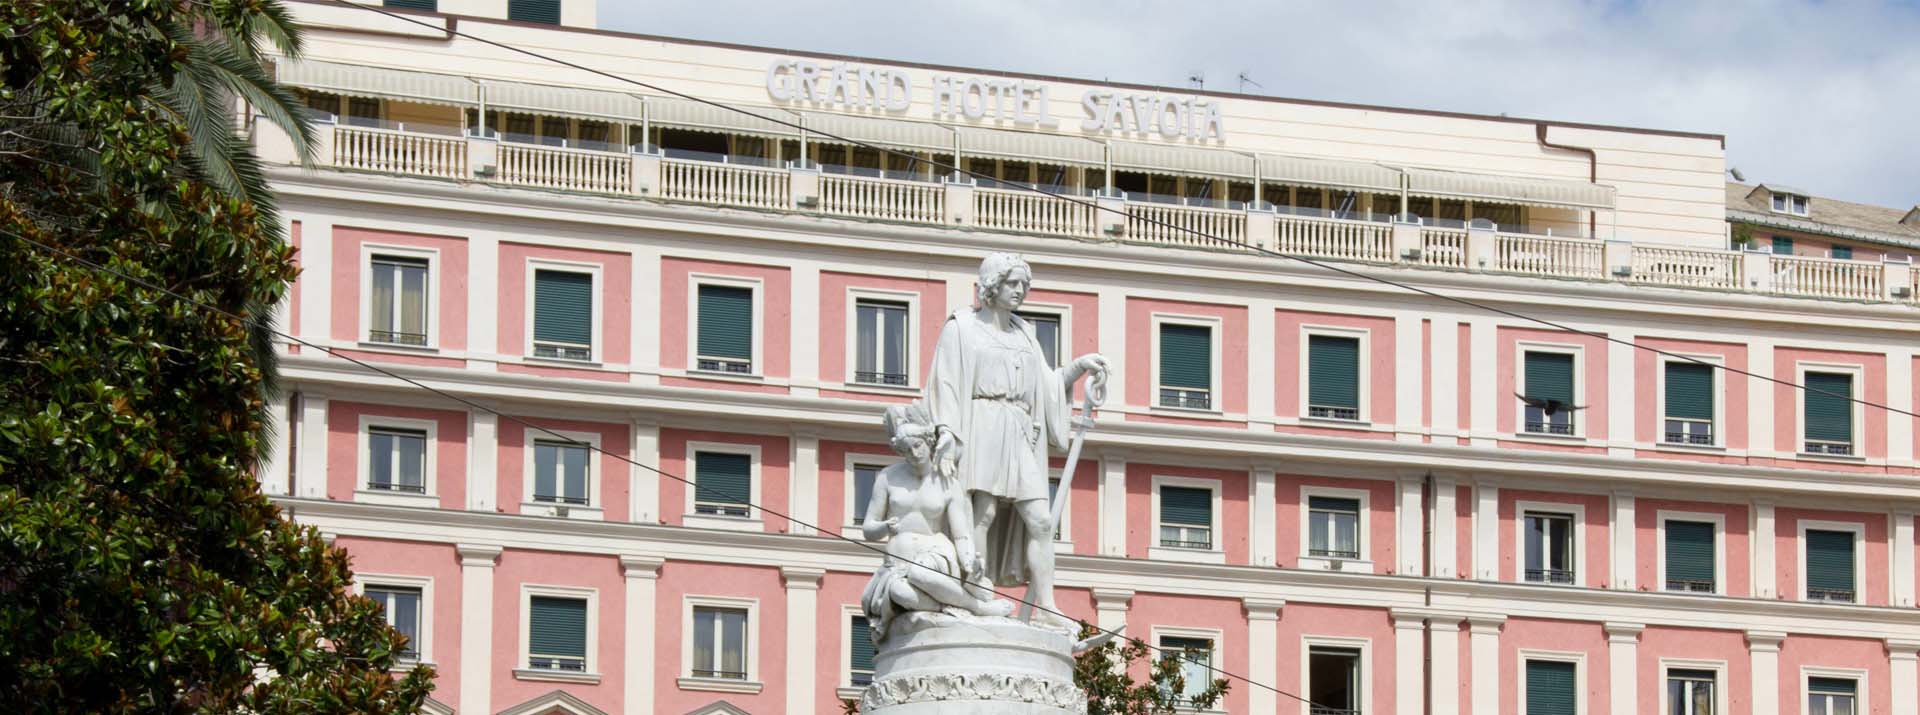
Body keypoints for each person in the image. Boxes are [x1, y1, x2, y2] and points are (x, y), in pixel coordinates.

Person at [925, 252, 1108, 628]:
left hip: (1020, 430)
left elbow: (1047, 385)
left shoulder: (1025, 333)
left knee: (1041, 520)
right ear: (992, 284)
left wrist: (1077, 368)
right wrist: (946, 431)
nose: (1020, 291)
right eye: (1013, 283)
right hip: (982, 422)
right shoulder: (962, 327)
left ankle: (1046, 605)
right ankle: (974, 594)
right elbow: (945, 383)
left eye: (1024, 285)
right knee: (983, 512)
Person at [859, 402, 1014, 643]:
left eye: (918, 446)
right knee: (900, 593)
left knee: (921, 573)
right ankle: (951, 605)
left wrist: (969, 561)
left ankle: (977, 607)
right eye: (906, 449)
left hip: (935, 553)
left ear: (928, 442)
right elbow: (868, 529)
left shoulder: (947, 482)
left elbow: (961, 535)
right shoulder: (888, 477)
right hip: (897, 564)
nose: (914, 454)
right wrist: (884, 528)